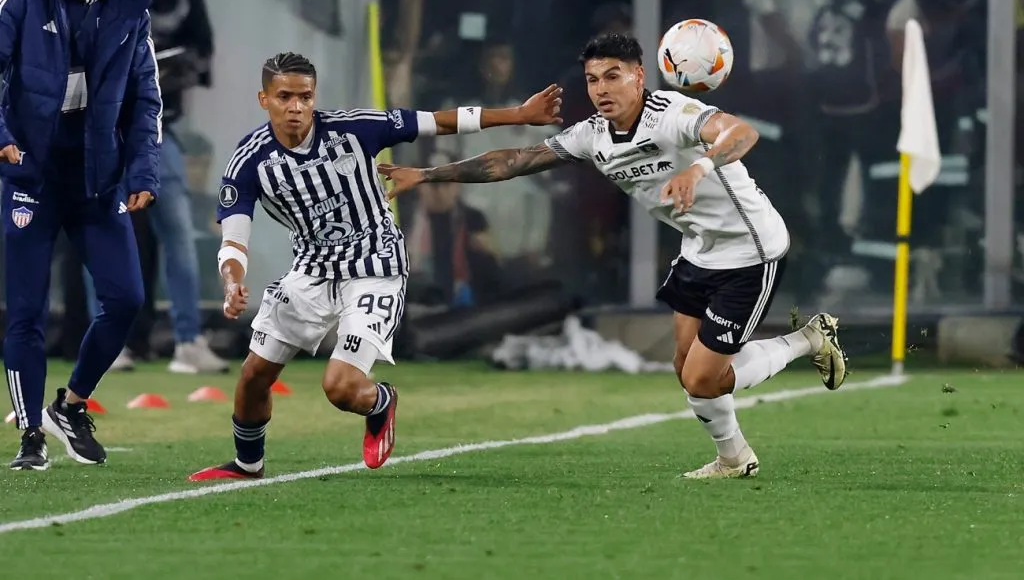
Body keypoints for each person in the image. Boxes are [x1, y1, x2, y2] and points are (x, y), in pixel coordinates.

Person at [379, 34, 848, 479]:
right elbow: (515, 160)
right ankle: (733, 459)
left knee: (704, 379)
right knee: (684, 368)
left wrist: (698, 169)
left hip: (750, 250)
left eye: (613, 76)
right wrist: (427, 174)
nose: (601, 89)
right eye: (593, 79)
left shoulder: (675, 113)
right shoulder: (592, 135)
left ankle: (807, 340)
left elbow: (740, 133)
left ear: (640, 76)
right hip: (698, 250)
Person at [187, 52, 562, 481]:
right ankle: (248, 464)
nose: (295, 107)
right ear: (263, 99)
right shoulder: (249, 161)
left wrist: (518, 114)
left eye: (305, 97)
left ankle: (380, 401)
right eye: (284, 96)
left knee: (341, 387)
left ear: (315, 97)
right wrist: (232, 282)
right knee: (254, 374)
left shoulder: (353, 128)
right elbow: (234, 238)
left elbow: (439, 120)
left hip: (374, 264)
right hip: (312, 269)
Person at [0, 0, 162, 471]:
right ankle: (29, 440)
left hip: (97, 176)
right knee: (26, 312)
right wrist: (2, 135)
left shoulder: (130, 7)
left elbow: (146, 96)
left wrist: (143, 169)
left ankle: (69, 406)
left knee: (126, 298)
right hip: (31, 173)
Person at [107, 0, 227, 374]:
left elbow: (204, 54)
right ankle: (110, 340)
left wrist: (176, 67)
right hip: (104, 130)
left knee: (176, 229)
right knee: (106, 232)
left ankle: (187, 339)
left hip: (158, 128)